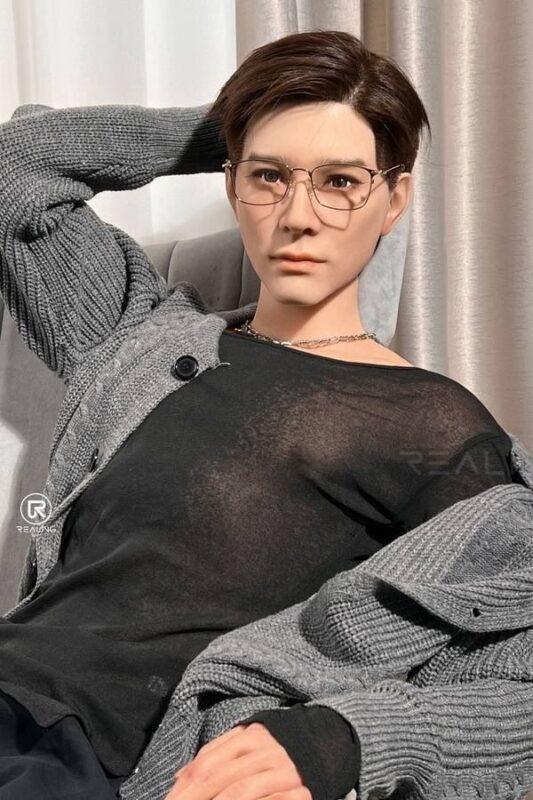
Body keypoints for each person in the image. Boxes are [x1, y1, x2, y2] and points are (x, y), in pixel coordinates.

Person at [0, 29, 519, 800]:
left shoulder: (431, 423)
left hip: (87, 759)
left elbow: (515, 666)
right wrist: (244, 121)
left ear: (394, 198)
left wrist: (340, 740)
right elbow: (15, 165)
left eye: (339, 181)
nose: (297, 216)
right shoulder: (138, 334)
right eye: (268, 177)